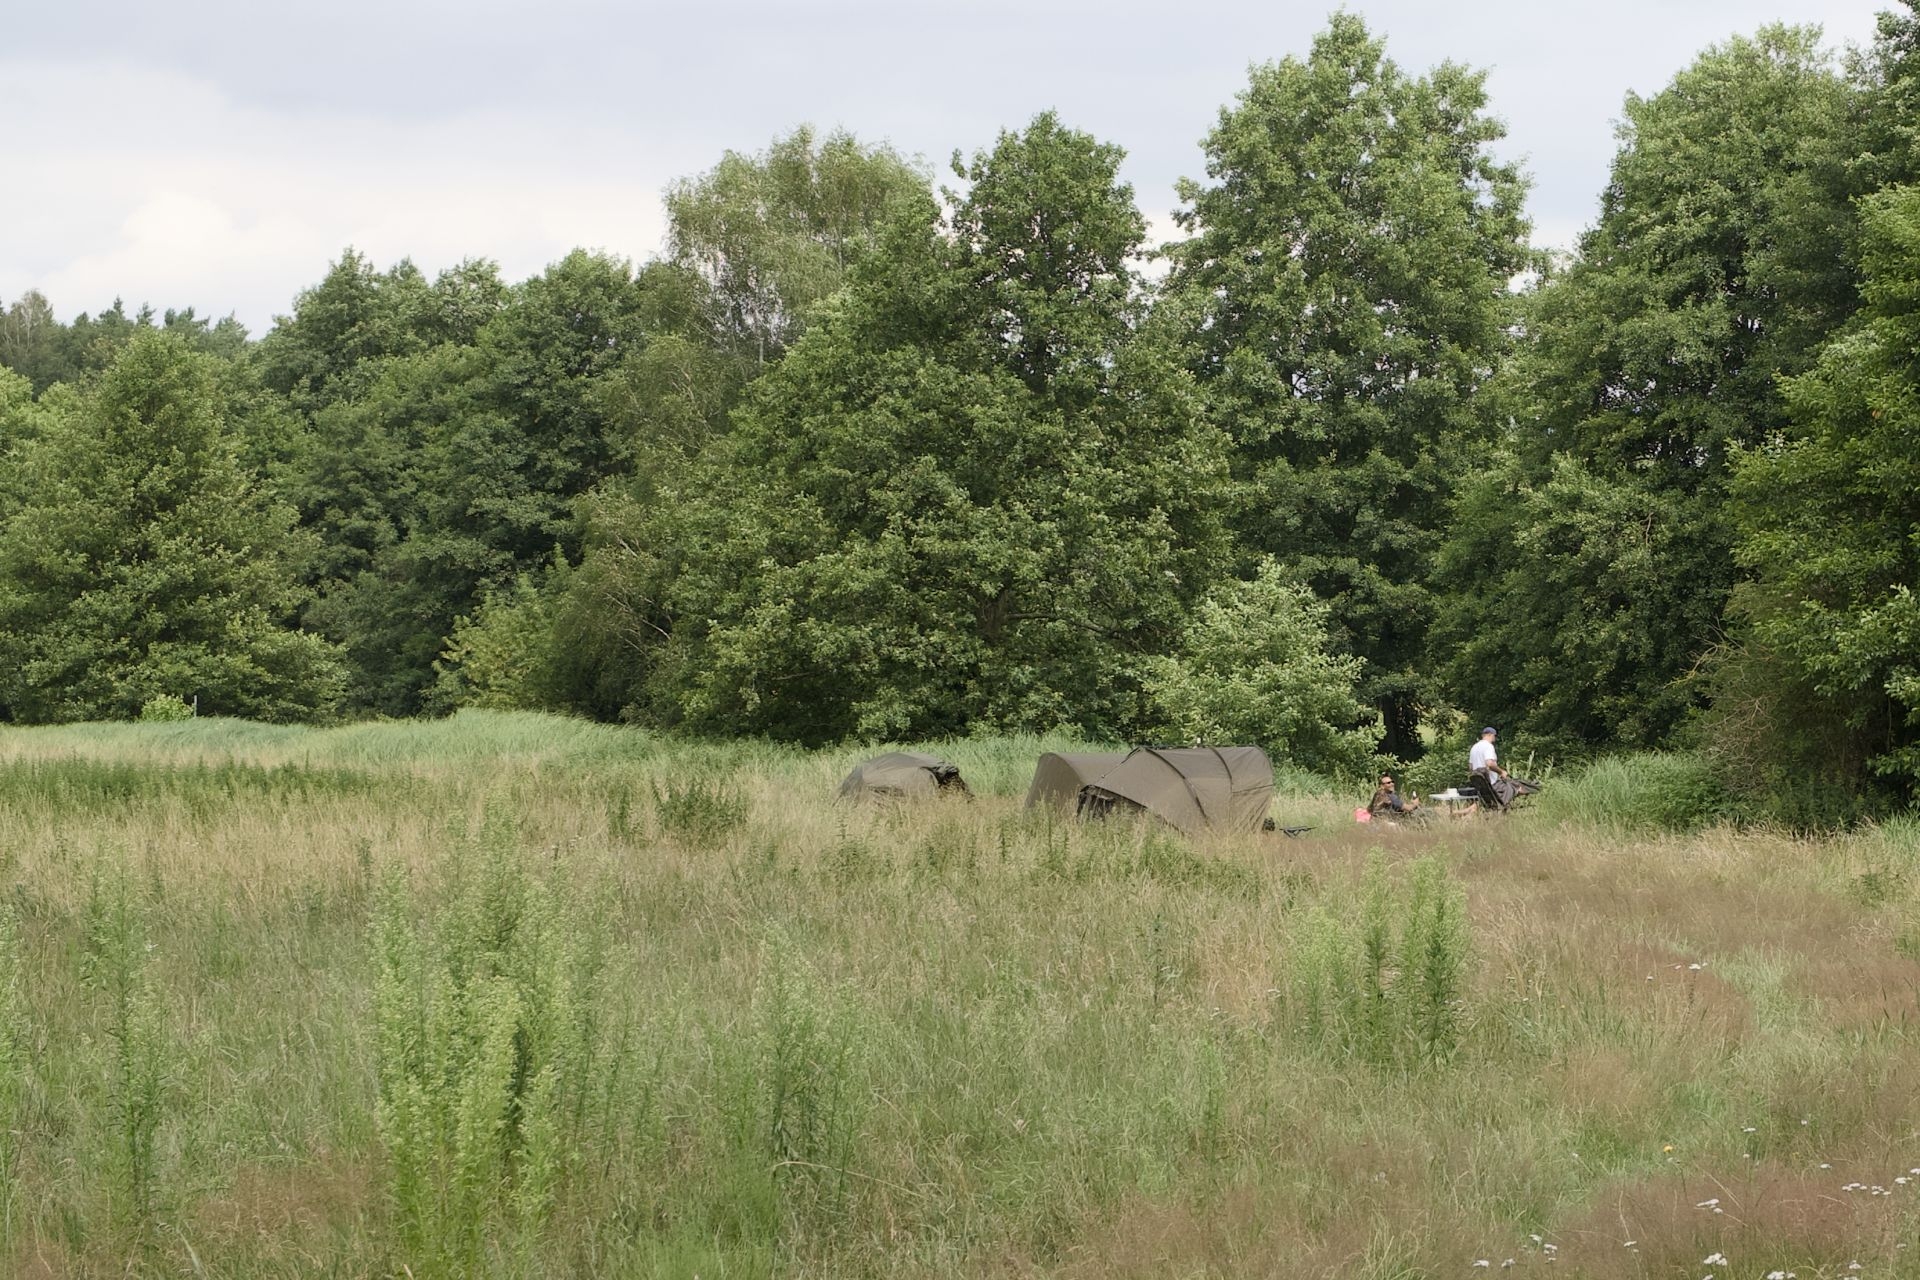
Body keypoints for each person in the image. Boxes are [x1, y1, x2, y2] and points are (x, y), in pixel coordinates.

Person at [1469, 726, 1518, 806]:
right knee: (1514, 787)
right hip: (1492, 784)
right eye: (1494, 736)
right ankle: (1503, 806)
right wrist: (1502, 772)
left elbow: (1471, 767)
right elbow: (1490, 764)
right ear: (1490, 735)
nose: (1494, 738)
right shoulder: (1488, 746)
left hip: (1480, 785)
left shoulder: (1474, 748)